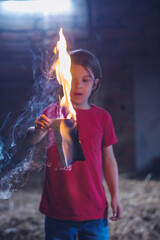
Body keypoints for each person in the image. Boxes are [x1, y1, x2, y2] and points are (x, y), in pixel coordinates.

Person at [26, 49, 123, 240]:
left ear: (95, 84)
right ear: (63, 78)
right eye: (72, 77)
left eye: (85, 80)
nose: (77, 85)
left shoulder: (102, 118)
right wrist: (37, 130)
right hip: (58, 210)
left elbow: (109, 159)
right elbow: (32, 139)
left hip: (94, 211)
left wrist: (115, 196)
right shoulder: (52, 111)